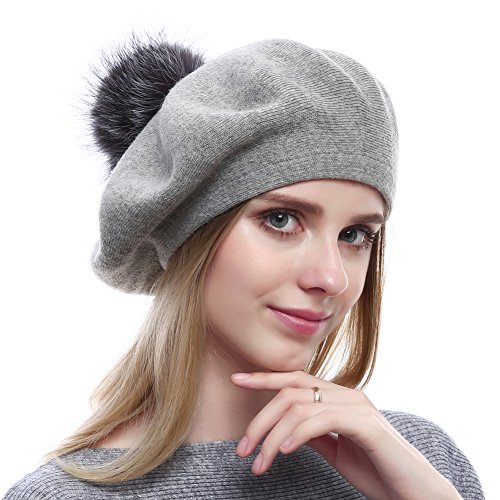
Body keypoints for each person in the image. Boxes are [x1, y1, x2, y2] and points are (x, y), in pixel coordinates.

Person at [4, 35, 484, 499]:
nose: (331, 278)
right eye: (281, 220)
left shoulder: (418, 461)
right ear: (193, 234)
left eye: (355, 235)